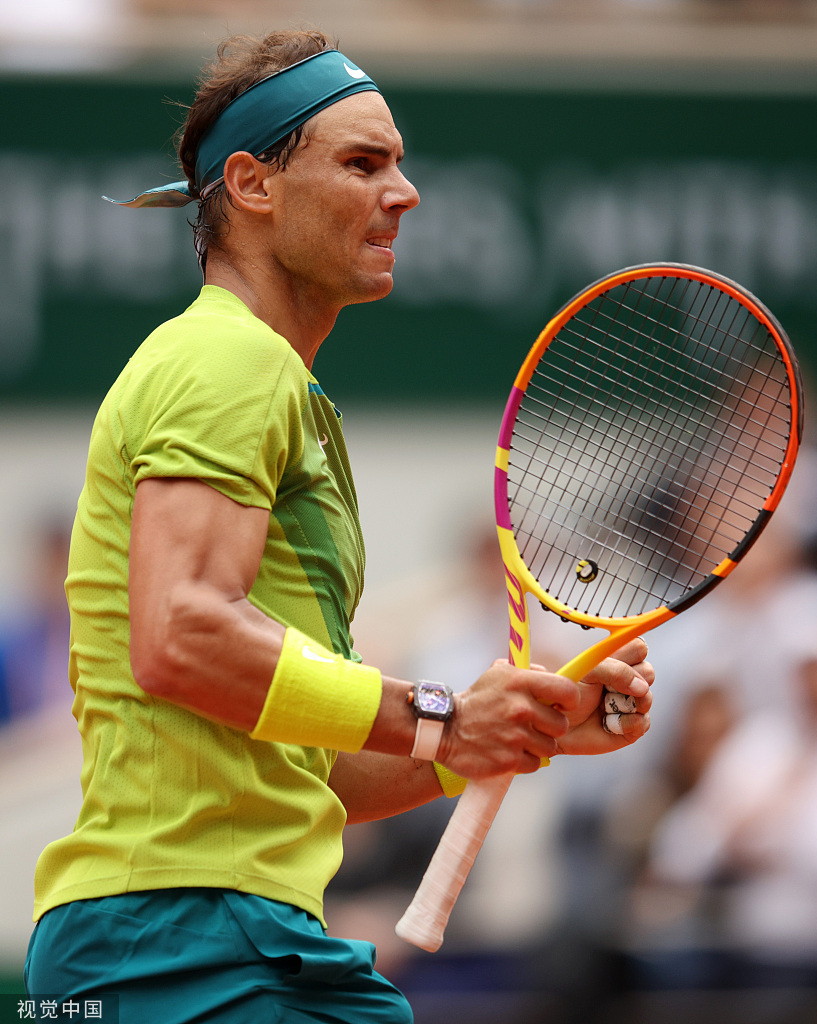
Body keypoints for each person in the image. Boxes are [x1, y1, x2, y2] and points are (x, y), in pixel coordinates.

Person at [24, 29, 653, 1024]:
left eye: (397, 163)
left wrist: (492, 734)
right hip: (183, 940)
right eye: (362, 163)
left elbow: (311, 765)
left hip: (191, 935)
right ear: (253, 185)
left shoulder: (276, 388)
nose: (404, 192)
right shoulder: (228, 360)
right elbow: (180, 634)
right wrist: (447, 714)